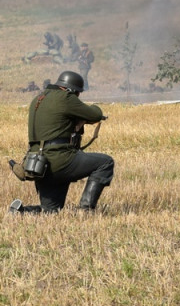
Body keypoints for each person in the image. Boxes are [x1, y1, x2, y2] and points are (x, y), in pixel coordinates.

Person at [9, 70, 114, 215]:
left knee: (50, 211)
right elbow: (95, 114)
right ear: (69, 89)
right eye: (77, 93)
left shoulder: (38, 98)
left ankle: (21, 212)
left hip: (37, 164)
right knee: (105, 162)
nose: (77, 96)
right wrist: (95, 107)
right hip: (59, 159)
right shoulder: (65, 98)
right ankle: (86, 210)